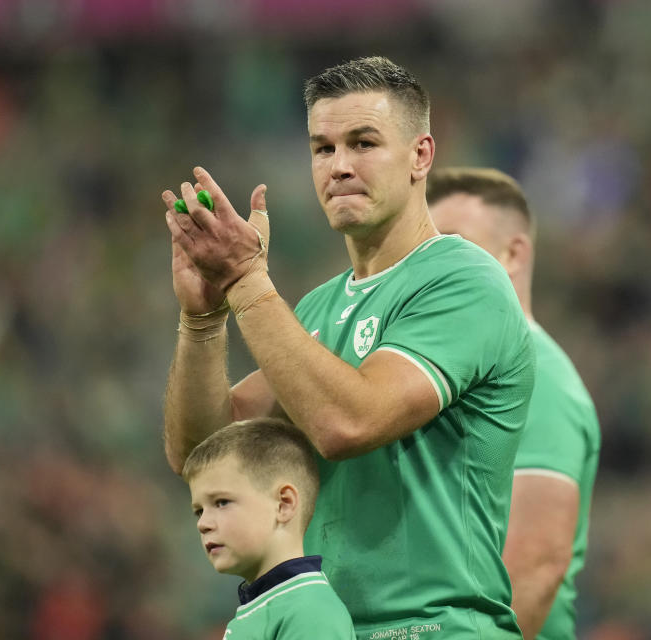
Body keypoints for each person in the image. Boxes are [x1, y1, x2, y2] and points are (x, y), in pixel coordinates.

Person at [163, 56, 534, 638]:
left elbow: (348, 423)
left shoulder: (464, 281)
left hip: (436, 627)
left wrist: (246, 281)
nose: (339, 166)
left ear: (421, 155)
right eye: (323, 148)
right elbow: (205, 453)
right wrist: (203, 318)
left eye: (363, 143)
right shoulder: (313, 310)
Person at [427, 167, 601, 640]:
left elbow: (535, 565)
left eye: (455, 242)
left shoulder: (537, 376)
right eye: (425, 247)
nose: (432, 264)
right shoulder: (444, 374)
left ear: (513, 253)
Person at [183, 417, 356, 639]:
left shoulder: (309, 612)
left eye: (221, 502)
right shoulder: (264, 608)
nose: (202, 524)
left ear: (284, 504)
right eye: (199, 511)